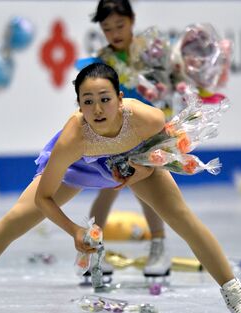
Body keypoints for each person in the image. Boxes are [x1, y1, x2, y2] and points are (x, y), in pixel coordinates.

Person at [0, 63, 241, 313]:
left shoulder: (147, 119)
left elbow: (161, 160)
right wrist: (73, 231)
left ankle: (235, 294)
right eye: (88, 101)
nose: (98, 109)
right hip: (81, 169)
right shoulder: (73, 137)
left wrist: (132, 173)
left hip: (135, 165)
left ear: (119, 98)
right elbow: (44, 199)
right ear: (78, 105)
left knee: (184, 220)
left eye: (104, 99)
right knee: (14, 221)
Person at [88, 0, 171, 278]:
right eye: (107, 27)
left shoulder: (152, 52)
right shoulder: (102, 59)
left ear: (133, 20)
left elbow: (169, 85)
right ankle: (93, 248)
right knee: (107, 187)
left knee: (148, 190)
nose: (115, 32)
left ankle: (158, 245)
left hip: (146, 133)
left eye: (120, 25)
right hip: (113, 134)